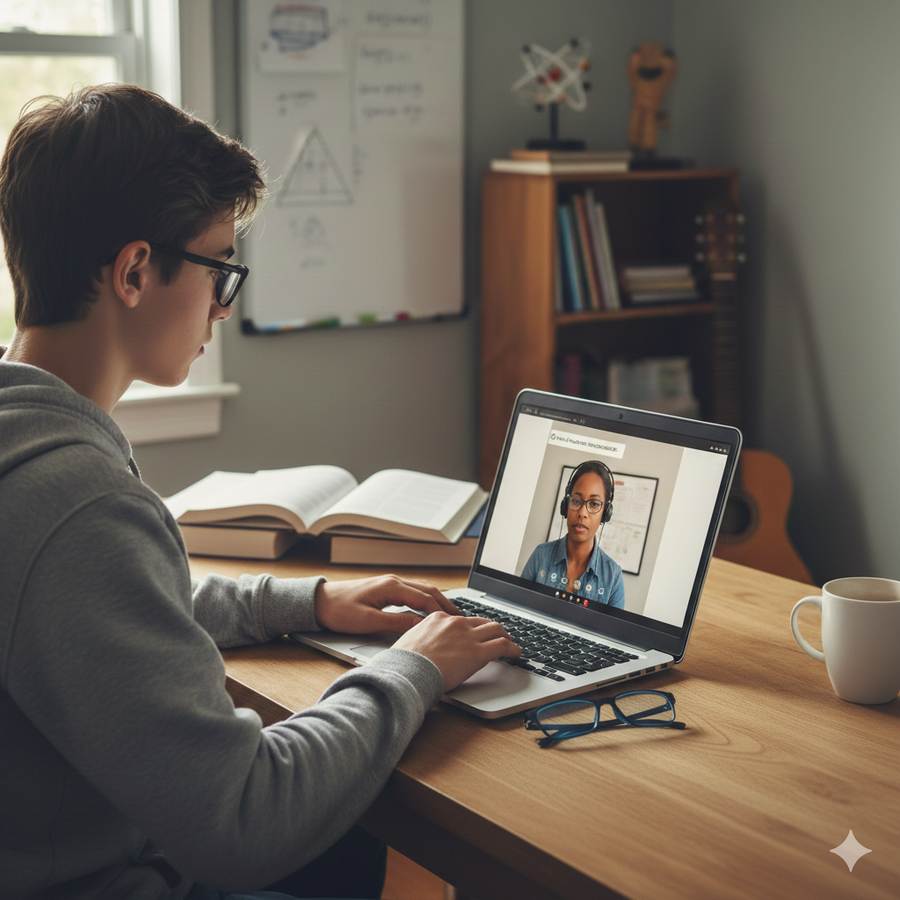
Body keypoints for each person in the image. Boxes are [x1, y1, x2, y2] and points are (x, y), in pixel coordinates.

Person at [0, 84, 519, 900]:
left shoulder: (23, 429)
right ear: (136, 270)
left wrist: (307, 601)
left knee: (351, 849)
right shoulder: (80, 503)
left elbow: (98, 619)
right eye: (219, 272)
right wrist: (412, 670)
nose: (222, 309)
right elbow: (246, 816)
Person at [521, 461, 625, 609]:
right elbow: (517, 607)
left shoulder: (613, 576)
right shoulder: (541, 555)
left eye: (594, 504)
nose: (582, 513)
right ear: (565, 506)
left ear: (605, 514)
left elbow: (611, 632)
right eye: (576, 501)